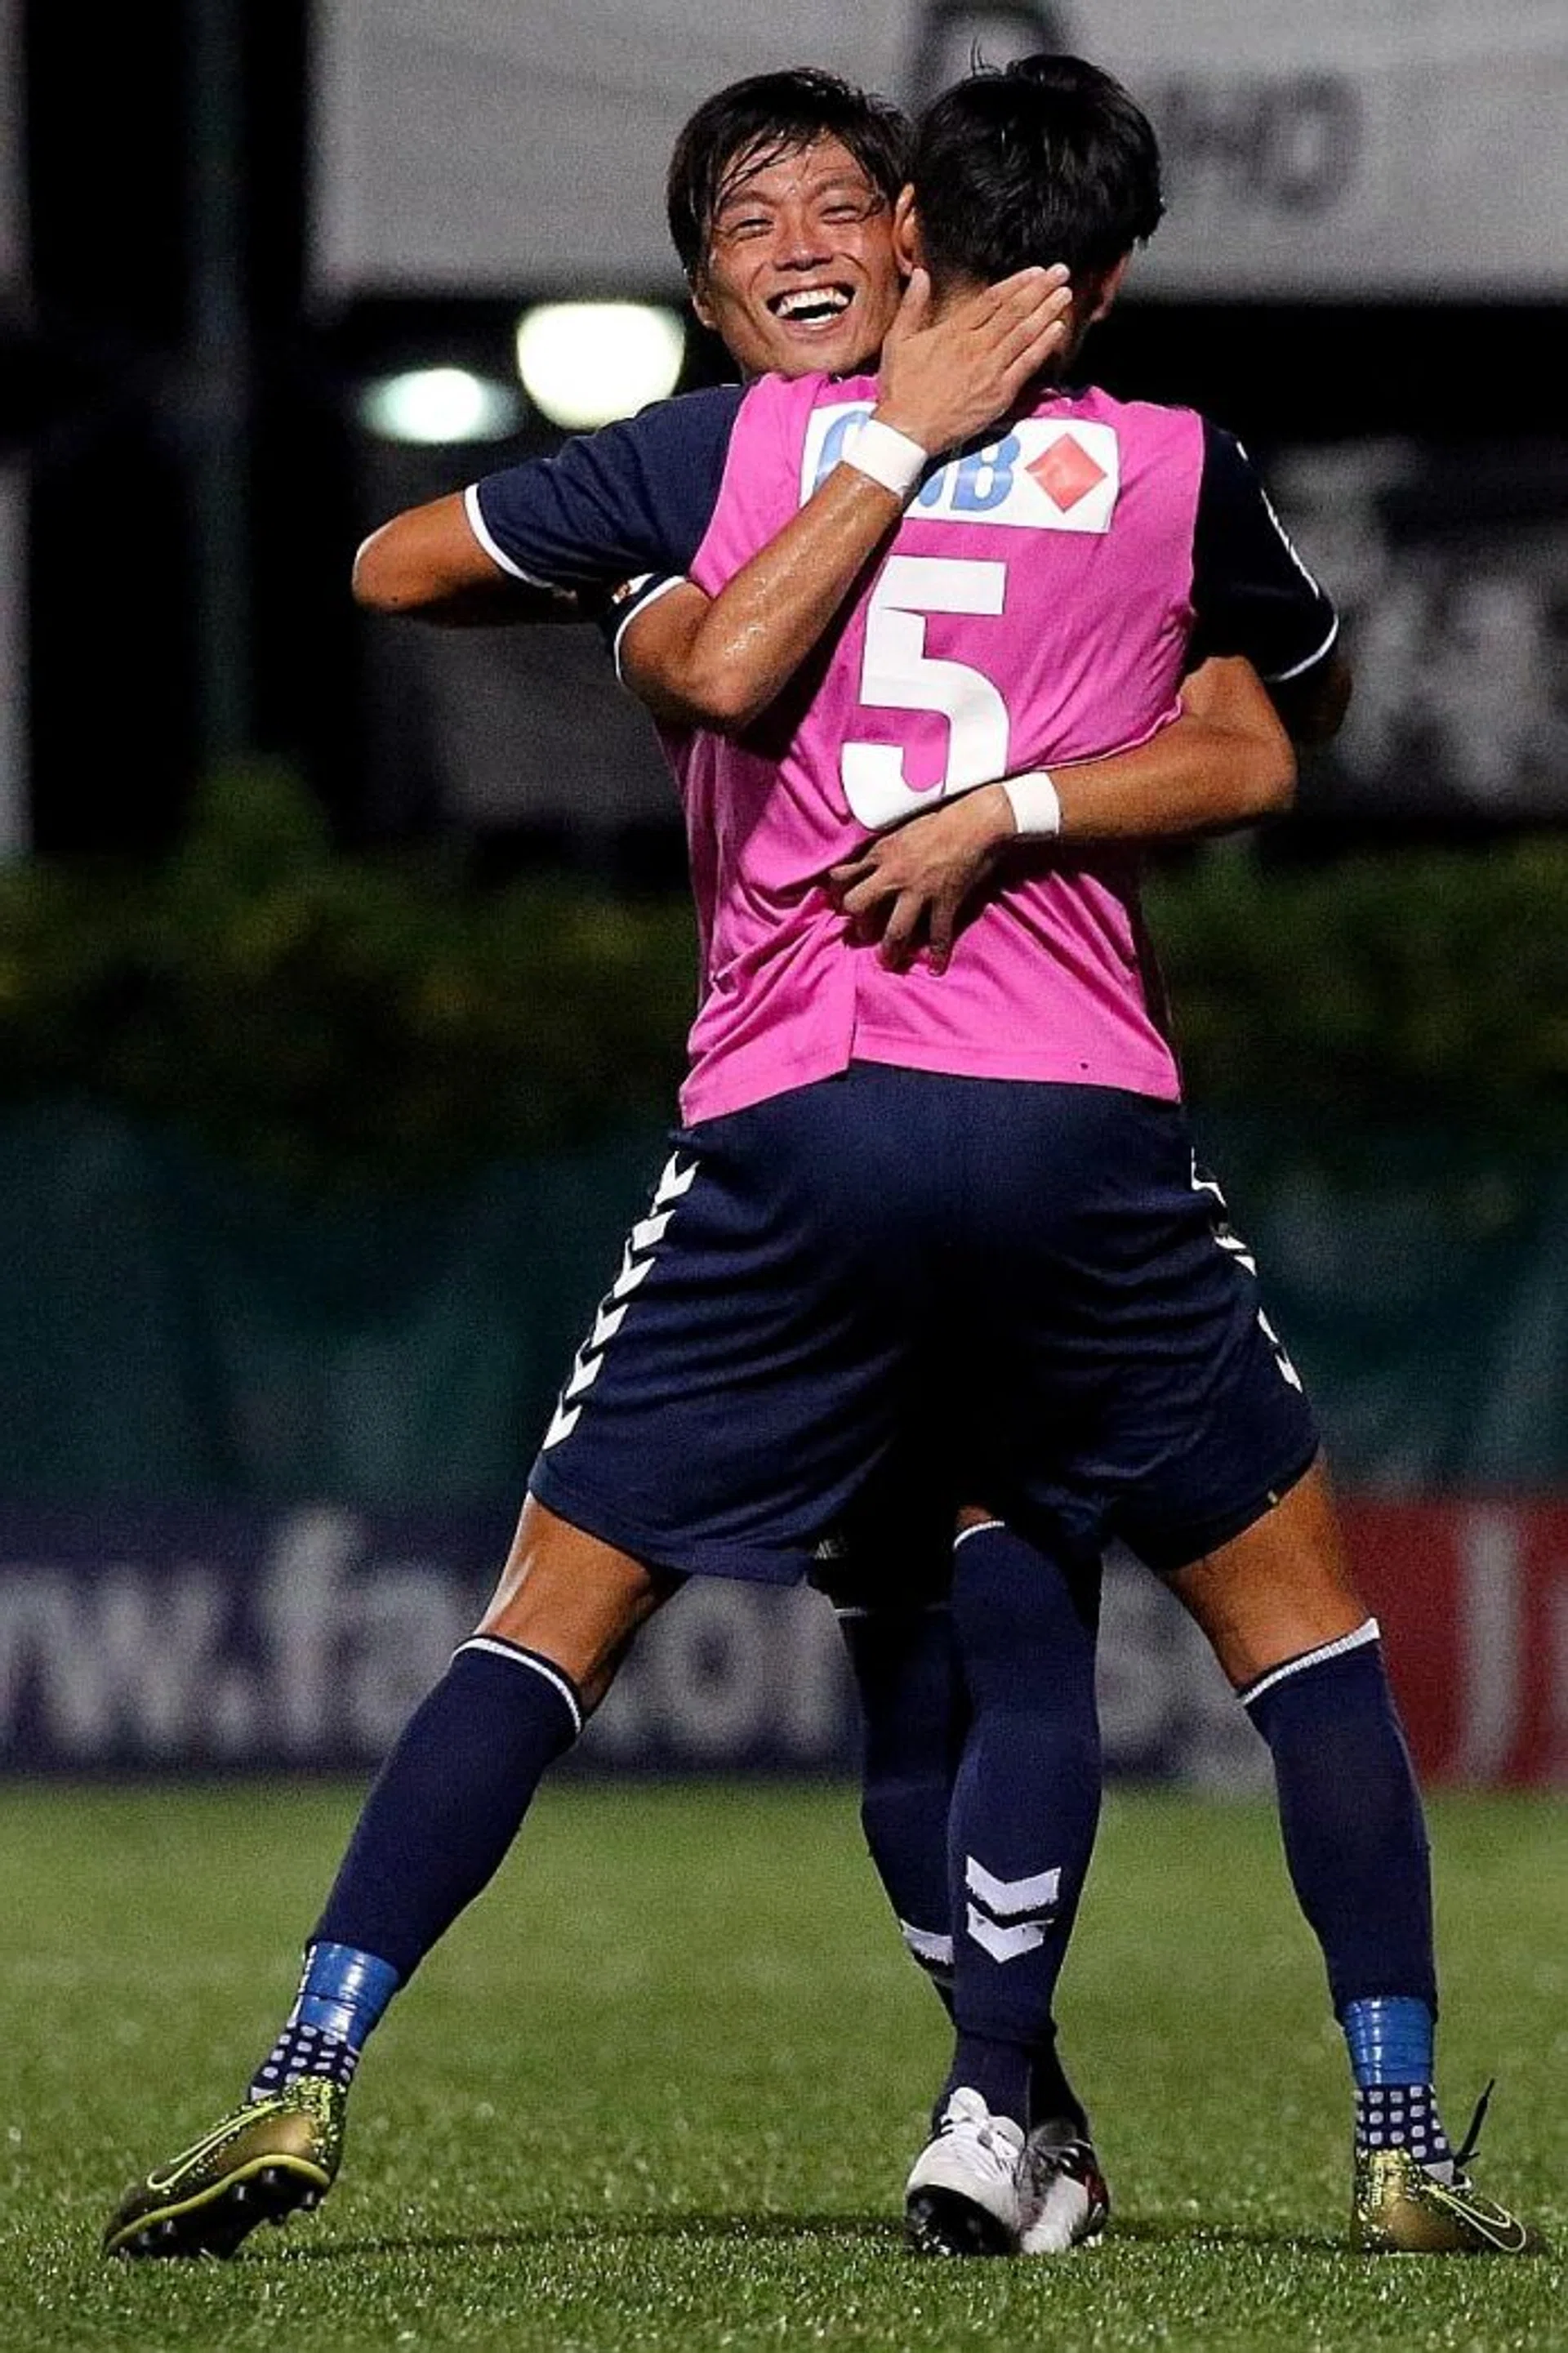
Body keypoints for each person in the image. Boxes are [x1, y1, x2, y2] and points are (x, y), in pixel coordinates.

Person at [102, 59, 1526, 2268]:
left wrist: (733, 578)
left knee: (582, 1621)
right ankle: (1340, 2134)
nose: (798, 243)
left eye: (836, 204)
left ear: (915, 240)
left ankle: (317, 2072)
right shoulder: (1156, 466)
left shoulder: (733, 459)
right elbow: (1265, 730)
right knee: (1229, 1623)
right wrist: (1010, 749)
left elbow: (421, 571)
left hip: (800, 1112)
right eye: (747, 219)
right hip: (1071, 1116)